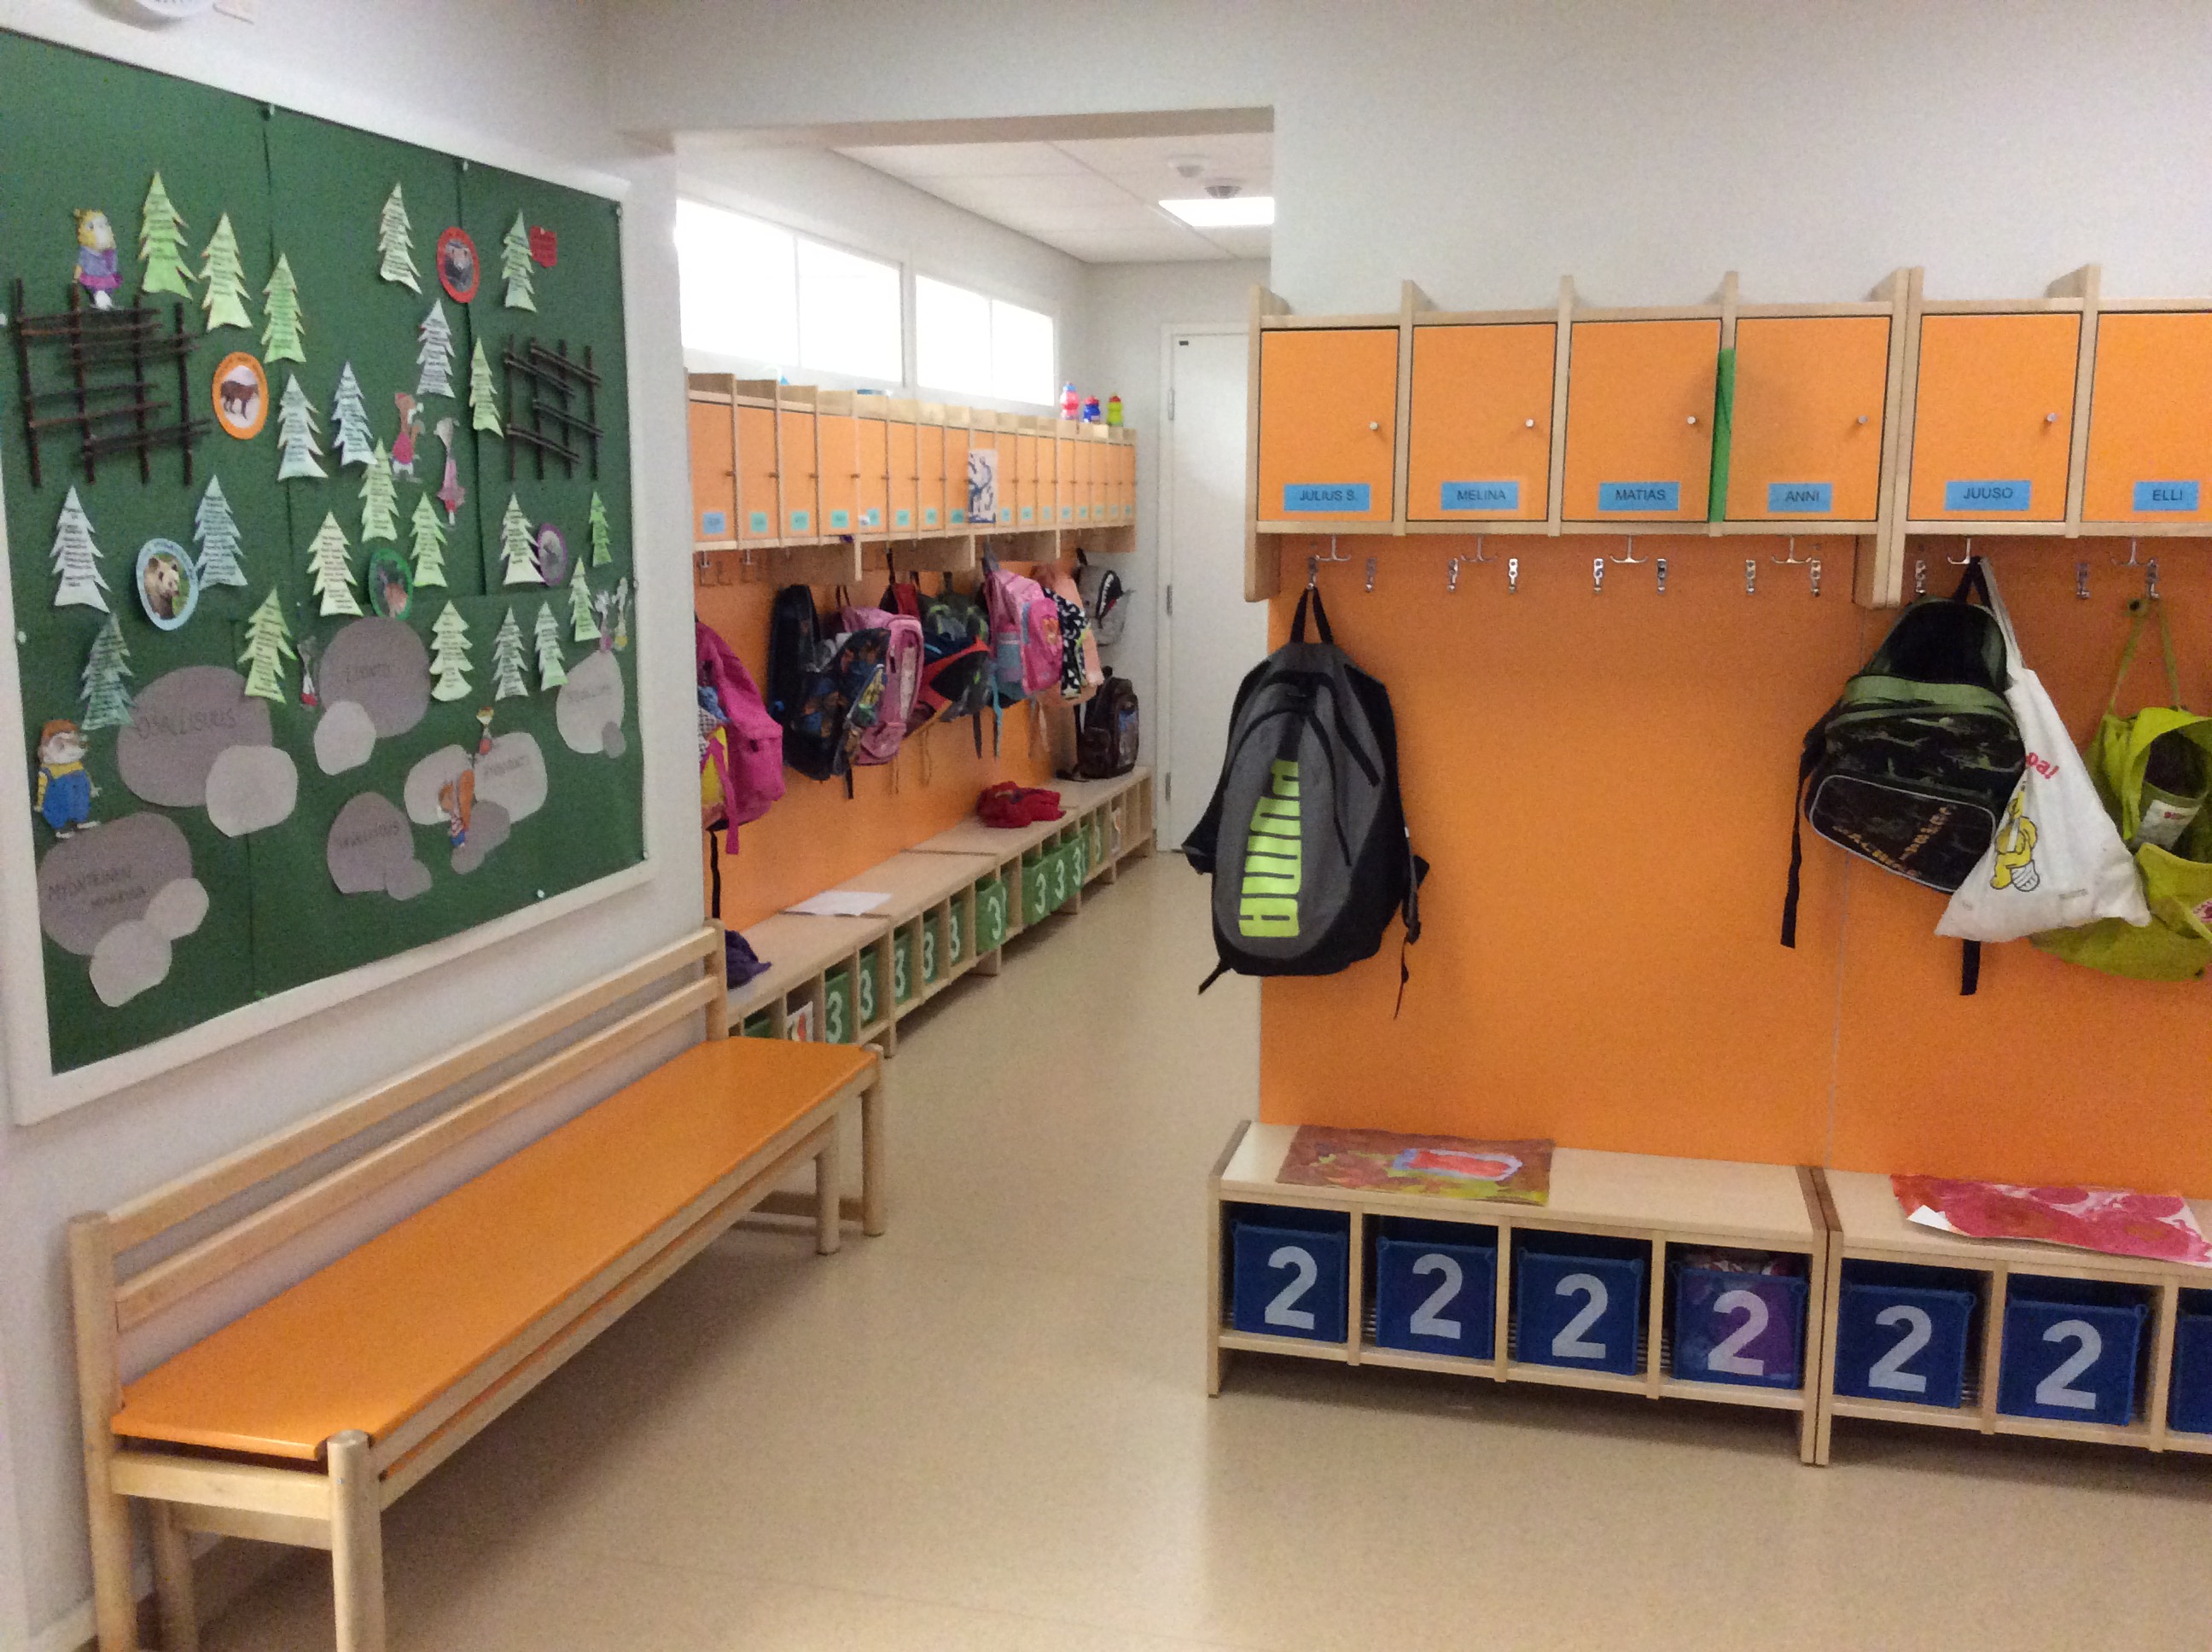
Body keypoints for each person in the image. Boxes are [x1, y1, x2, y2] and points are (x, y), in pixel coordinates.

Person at [34, 720, 98, 836]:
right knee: (57, 807)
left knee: (80, 802)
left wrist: (92, 788)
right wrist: (40, 803)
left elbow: (85, 775)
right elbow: (42, 786)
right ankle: (59, 829)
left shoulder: (75, 764)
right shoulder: (48, 768)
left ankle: (81, 820)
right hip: (58, 794)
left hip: (77, 791)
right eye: (61, 745)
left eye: (73, 742)